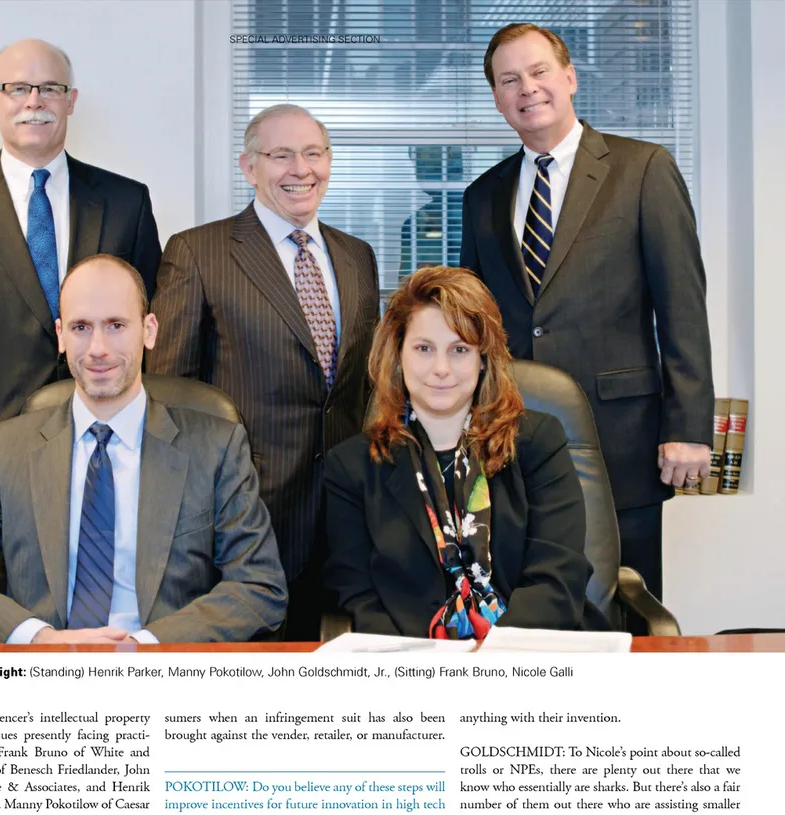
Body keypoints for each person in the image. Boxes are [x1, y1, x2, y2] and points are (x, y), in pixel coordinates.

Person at [459, 22, 714, 600]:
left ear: (570, 77)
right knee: (529, 604)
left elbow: (682, 306)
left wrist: (687, 428)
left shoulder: (643, 168)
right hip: (514, 442)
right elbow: (473, 326)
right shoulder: (482, 196)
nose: (527, 88)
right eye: (509, 80)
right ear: (497, 98)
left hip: (621, 437)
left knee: (625, 603)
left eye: (539, 71)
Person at [0, 255, 287, 645]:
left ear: (149, 330)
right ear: (60, 335)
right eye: (81, 327)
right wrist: (37, 639)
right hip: (45, 672)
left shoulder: (216, 448)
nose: (98, 348)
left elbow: (258, 585)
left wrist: (144, 647)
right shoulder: (5, 450)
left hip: (163, 668)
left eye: (116, 325)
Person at [0, 38, 162, 545]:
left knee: (101, 592)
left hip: (110, 457)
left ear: (71, 100)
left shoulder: (126, 202)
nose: (34, 101)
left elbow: (151, 338)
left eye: (50, 88)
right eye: (17, 88)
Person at [146, 103, 380, 639]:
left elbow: (365, 387)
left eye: (313, 153)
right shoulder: (199, 252)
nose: (302, 169)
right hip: (243, 518)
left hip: (344, 518)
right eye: (281, 156)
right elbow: (170, 399)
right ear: (249, 167)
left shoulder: (358, 256)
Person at [324, 266, 604, 639]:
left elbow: (558, 579)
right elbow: (358, 597)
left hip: (530, 651)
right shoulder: (352, 467)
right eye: (424, 349)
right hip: (413, 661)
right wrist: (431, 662)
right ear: (399, 355)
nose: (441, 369)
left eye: (459, 350)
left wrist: (491, 654)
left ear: (483, 358)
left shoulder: (537, 443)